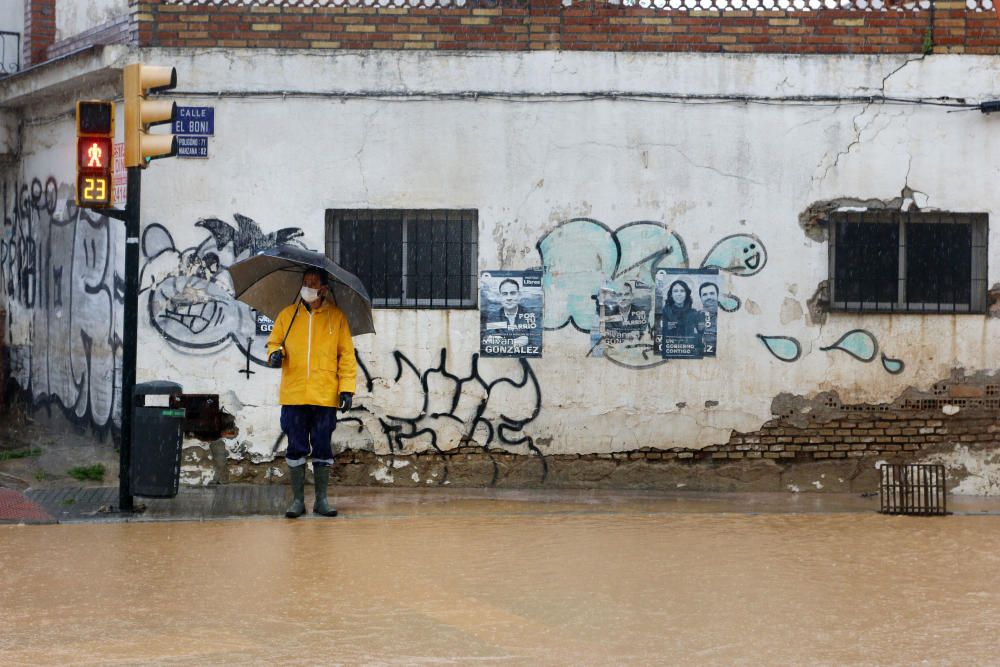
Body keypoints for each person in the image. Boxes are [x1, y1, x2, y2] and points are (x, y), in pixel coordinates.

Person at [266, 268, 356, 518]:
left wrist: (347, 388)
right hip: (294, 395)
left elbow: (346, 356)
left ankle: (321, 500)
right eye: (305, 283)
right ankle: (297, 500)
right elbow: (274, 342)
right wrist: (274, 354)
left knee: (322, 447)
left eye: (313, 284)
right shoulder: (287, 315)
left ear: (324, 289)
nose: (307, 288)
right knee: (295, 448)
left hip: (324, 396)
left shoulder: (337, 318)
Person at [484, 278, 535, 347]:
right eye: (505, 294)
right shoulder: (494, 316)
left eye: (513, 293)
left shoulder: (530, 314)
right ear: (500, 296)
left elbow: (536, 340)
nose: (509, 298)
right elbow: (488, 339)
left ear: (519, 295)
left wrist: (502, 342)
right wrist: (515, 343)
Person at [660, 279, 703, 356]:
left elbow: (700, 335)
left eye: (682, 291)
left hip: (689, 352)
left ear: (686, 294)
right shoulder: (665, 312)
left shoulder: (693, 313)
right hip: (670, 352)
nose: (679, 294)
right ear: (671, 294)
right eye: (675, 291)